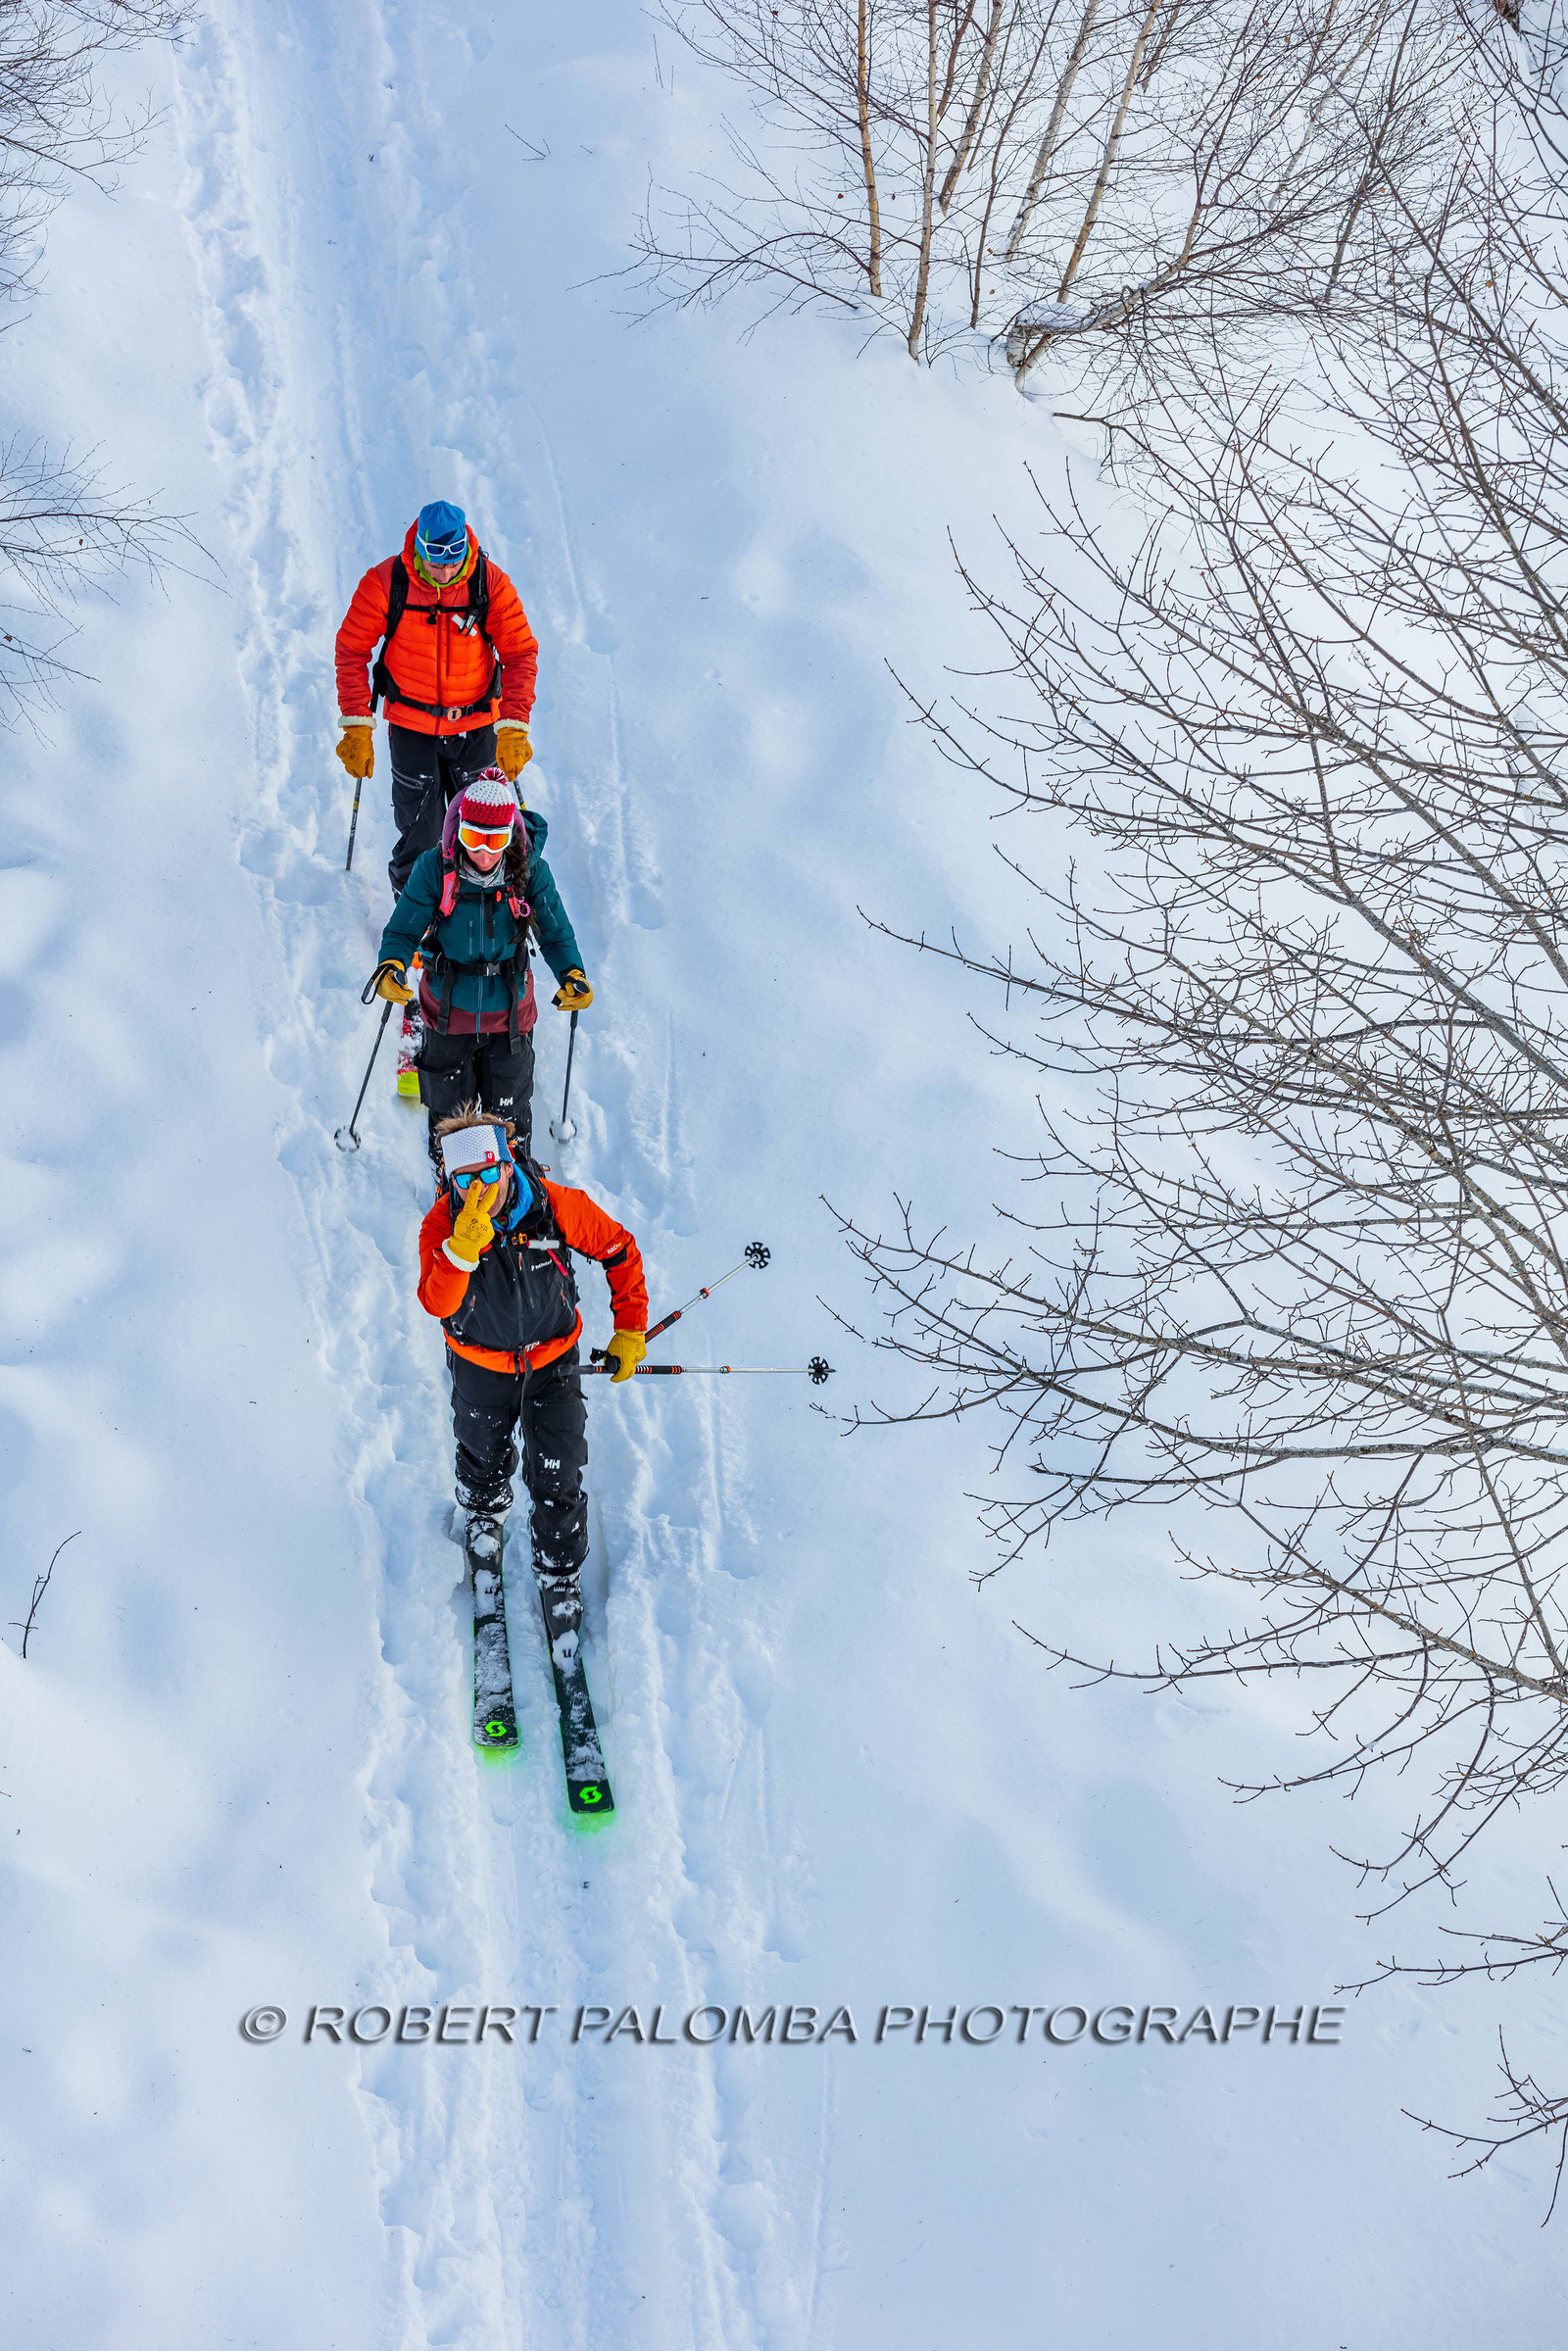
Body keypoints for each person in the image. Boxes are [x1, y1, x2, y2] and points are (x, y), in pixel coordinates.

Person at [418, 1107, 649, 1639]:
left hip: (552, 1363)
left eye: (487, 1174)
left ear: (507, 1162)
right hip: (480, 1364)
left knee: (558, 1473)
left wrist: (630, 1327)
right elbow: (436, 1302)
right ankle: (484, 1518)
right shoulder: (440, 1225)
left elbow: (619, 1249)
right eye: (465, 1181)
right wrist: (461, 1250)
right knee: (481, 1454)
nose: (479, 1192)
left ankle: (559, 1572)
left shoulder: (554, 1205)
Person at [368, 767, 593, 1160]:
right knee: (449, 1119)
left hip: (510, 1018)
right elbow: (403, 930)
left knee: (509, 1119)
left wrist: (572, 972)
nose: (485, 854)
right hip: (446, 1014)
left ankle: (516, 1182)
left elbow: (556, 932)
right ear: (459, 830)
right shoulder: (435, 868)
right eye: (474, 839)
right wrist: (391, 964)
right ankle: (449, 1180)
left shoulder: (530, 871)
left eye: (495, 841)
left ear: (510, 836)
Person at [334, 499, 541, 896]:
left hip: (476, 727)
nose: (445, 574)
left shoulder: (489, 583)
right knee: (420, 833)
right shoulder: (386, 582)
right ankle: (416, 916)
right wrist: (357, 724)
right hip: (411, 727)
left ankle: (480, 912)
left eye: (453, 563)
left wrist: (514, 726)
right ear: (419, 549)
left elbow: (519, 653)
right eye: (435, 564)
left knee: (484, 830)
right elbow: (351, 649)